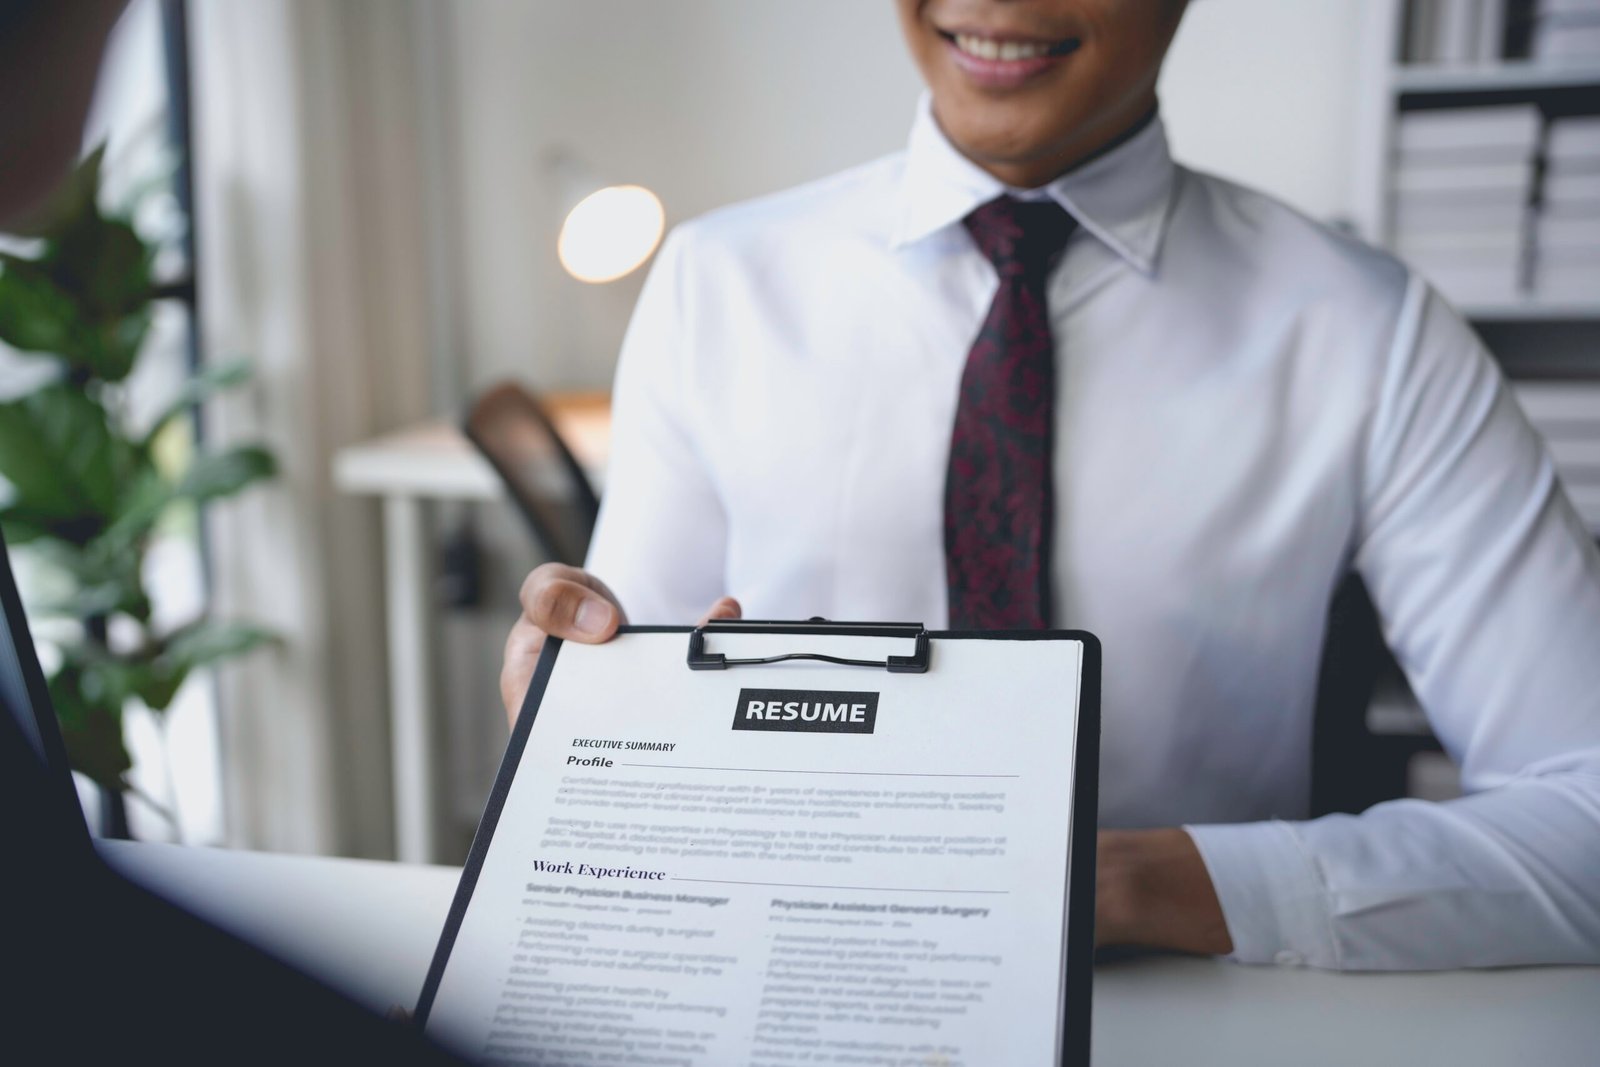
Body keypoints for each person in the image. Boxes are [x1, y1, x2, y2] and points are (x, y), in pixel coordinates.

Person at [501, 0, 1600, 970]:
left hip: (1204, 1012)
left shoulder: (1370, 331)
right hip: (783, 994)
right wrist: (574, 722)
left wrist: (1131, 884)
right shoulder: (714, 285)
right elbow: (622, 772)